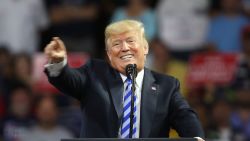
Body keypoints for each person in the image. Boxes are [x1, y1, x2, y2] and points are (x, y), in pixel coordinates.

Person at [44, 20, 204, 139]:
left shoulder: (166, 86)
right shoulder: (94, 74)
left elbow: (185, 117)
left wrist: (197, 137)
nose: (125, 48)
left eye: (130, 41)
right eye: (116, 44)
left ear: (145, 47)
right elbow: (69, 79)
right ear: (108, 54)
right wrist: (58, 63)